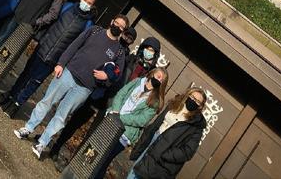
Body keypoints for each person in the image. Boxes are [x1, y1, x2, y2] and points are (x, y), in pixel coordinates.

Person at [14, 15, 128, 160]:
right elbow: (74, 45)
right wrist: (61, 63)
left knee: (61, 116)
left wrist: (106, 76)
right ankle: (28, 128)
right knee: (47, 101)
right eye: (116, 23)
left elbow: (117, 74)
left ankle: (42, 143)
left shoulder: (119, 52)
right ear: (112, 21)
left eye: (121, 27)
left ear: (123, 31)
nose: (117, 27)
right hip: (68, 73)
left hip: (85, 88)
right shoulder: (94, 30)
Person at [49, 24, 140, 167]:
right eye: (126, 34)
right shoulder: (109, 41)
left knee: (80, 126)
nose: (126, 38)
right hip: (89, 87)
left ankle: (65, 154)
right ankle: (50, 139)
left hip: (103, 100)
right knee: (66, 113)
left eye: (130, 38)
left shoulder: (127, 57)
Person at [0, 0, 97, 117]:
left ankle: (17, 103)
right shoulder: (67, 7)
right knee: (26, 73)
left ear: (92, 6)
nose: (86, 4)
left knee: (35, 81)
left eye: (89, 3)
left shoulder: (88, 24)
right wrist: (41, 39)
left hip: (55, 57)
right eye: (85, 0)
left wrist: (63, 62)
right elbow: (52, 22)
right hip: (43, 47)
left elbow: (77, 45)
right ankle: (11, 95)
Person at [91, 67, 169, 179]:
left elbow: (142, 120)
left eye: (162, 80)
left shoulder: (155, 101)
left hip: (124, 133)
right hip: (111, 121)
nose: (159, 80)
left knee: (103, 162)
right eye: (158, 76)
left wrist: (120, 118)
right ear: (152, 73)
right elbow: (121, 94)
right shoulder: (137, 81)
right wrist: (116, 111)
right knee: (93, 152)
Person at [127, 86, 207, 179]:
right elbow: (156, 123)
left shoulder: (196, 125)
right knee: (134, 172)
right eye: (192, 97)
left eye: (197, 101)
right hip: (151, 141)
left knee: (143, 175)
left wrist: (164, 154)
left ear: (200, 106)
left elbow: (188, 152)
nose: (193, 101)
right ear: (187, 95)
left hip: (162, 156)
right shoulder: (175, 104)